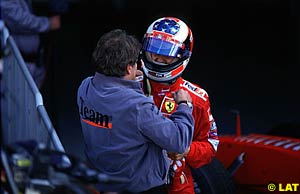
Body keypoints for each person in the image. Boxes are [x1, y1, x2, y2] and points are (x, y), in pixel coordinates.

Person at [77, 29, 195, 194]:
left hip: (102, 182)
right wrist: (184, 105)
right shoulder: (138, 107)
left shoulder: (85, 88)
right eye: (135, 63)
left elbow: (116, 112)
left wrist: (130, 81)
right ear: (128, 68)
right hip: (140, 187)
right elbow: (179, 141)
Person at [139, 17, 220, 194]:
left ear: (183, 55)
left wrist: (186, 150)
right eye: (154, 48)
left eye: (167, 52)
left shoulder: (197, 98)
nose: (158, 57)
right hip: (133, 181)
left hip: (176, 186)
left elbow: (211, 145)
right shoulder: (129, 86)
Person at [1, 0, 61, 89]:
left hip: (35, 60)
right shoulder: (6, 3)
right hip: (19, 64)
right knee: (22, 97)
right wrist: (48, 23)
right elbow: (22, 22)